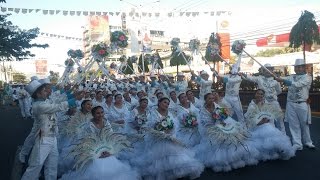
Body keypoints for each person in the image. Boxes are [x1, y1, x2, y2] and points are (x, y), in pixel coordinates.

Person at [131, 97, 204, 179]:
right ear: (159, 103)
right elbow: (150, 126)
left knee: (176, 155)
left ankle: (176, 171)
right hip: (158, 139)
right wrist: (161, 131)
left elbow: (175, 125)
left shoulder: (170, 113)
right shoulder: (153, 113)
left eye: (168, 103)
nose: (167, 105)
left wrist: (170, 131)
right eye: (165, 102)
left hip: (169, 137)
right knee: (160, 160)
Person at [60, 106, 140, 180]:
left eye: (102, 112)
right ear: (93, 114)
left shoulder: (106, 122)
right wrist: (98, 152)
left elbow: (110, 135)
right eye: (98, 113)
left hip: (107, 149)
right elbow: (87, 140)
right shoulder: (89, 125)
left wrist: (109, 149)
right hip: (93, 151)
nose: (100, 115)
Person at [21, 80, 75, 180]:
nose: (48, 92)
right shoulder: (38, 106)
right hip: (44, 138)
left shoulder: (45, 101)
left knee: (52, 165)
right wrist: (70, 101)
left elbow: (56, 101)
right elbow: (56, 107)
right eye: (45, 91)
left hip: (52, 136)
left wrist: (69, 95)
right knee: (36, 165)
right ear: (38, 94)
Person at [196, 93, 259, 172]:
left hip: (222, 124)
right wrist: (216, 121)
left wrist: (221, 119)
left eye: (212, 98)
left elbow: (224, 116)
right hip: (211, 128)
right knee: (219, 140)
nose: (212, 100)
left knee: (232, 136)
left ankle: (236, 157)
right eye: (209, 99)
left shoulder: (217, 106)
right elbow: (205, 123)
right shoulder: (203, 110)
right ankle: (222, 160)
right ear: (205, 100)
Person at [275, 59, 315, 151]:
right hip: (291, 103)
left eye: (300, 67)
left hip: (302, 103)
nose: (298, 69)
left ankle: (308, 142)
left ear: (304, 68)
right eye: (296, 67)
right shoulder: (291, 77)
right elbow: (283, 79)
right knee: (293, 125)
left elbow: (297, 85)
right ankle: (297, 144)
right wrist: (278, 77)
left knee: (304, 124)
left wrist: (283, 80)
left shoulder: (308, 77)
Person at [244, 89, 294, 160]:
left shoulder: (266, 104)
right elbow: (249, 118)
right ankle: (268, 152)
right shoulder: (251, 105)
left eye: (261, 94)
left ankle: (279, 149)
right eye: (258, 93)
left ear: (263, 96)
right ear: (255, 94)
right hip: (255, 126)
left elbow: (269, 117)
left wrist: (265, 120)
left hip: (265, 124)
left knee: (270, 132)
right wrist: (258, 122)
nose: (260, 95)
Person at [241, 64, 285, 133]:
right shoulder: (259, 78)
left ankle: (283, 137)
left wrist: (273, 95)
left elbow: (279, 91)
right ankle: (270, 136)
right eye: (265, 69)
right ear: (263, 71)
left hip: (274, 102)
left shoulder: (276, 79)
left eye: (269, 69)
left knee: (279, 120)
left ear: (272, 70)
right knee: (269, 120)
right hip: (264, 103)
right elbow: (251, 78)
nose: (267, 71)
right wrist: (244, 75)